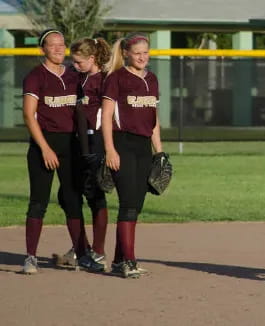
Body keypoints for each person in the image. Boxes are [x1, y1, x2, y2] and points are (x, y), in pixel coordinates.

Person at [21, 29, 85, 274]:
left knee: (72, 200)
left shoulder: (73, 75)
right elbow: (28, 114)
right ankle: (30, 257)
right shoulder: (36, 76)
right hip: (43, 145)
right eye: (53, 45)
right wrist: (45, 148)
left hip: (70, 145)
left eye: (62, 44)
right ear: (42, 49)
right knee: (38, 201)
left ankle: (78, 252)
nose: (59, 49)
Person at [101, 33, 164, 278]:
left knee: (136, 204)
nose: (142, 57)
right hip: (122, 143)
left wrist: (159, 151)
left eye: (145, 52)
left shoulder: (152, 79)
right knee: (127, 204)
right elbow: (106, 116)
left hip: (142, 147)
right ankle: (129, 260)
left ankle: (118, 260)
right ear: (126, 53)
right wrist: (109, 149)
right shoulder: (116, 78)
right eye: (137, 52)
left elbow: (154, 119)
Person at [52, 37, 112, 272]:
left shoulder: (104, 80)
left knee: (95, 194)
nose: (74, 65)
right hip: (76, 143)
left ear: (92, 58)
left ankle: (97, 252)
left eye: (79, 62)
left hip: (95, 142)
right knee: (67, 195)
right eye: (72, 61)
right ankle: (81, 249)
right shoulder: (77, 79)